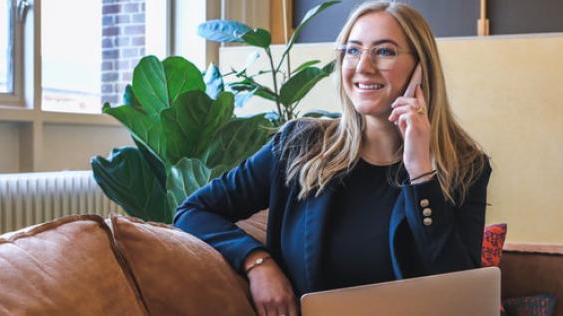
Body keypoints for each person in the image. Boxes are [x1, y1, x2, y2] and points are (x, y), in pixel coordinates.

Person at [174, 1, 491, 316]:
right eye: (352, 51)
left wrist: (421, 172)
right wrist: (257, 261)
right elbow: (193, 210)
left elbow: (460, 295)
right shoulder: (298, 146)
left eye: (384, 52)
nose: (363, 66)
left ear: (421, 68)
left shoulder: (465, 167)